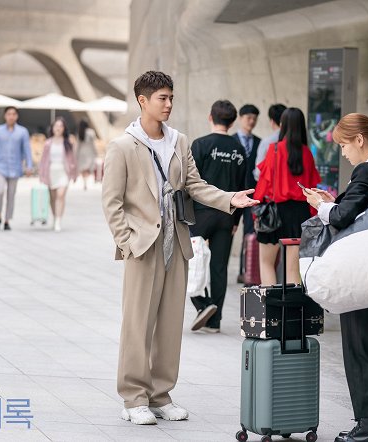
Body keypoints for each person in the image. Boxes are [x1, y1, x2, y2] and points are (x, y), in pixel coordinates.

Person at [101, 71, 258, 426]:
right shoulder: (123, 146)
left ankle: (160, 396)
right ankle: (133, 397)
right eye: (162, 98)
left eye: (171, 97)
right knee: (138, 325)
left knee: (170, 324)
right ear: (143, 101)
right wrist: (127, 243)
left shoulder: (179, 141)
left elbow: (196, 185)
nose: (169, 104)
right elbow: (111, 203)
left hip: (178, 243)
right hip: (143, 245)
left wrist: (230, 198)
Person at [302, 113, 368, 442]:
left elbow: (345, 217)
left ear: (360, 140)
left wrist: (321, 206)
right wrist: (335, 201)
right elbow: (364, 209)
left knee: (359, 352)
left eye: (344, 145)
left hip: (361, 278)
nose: (343, 152)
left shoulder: (366, 169)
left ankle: (367, 427)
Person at [188, 100, 247, 333]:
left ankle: (203, 305)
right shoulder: (239, 149)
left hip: (200, 214)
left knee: (192, 263)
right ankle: (215, 321)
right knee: (219, 267)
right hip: (227, 215)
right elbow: (243, 187)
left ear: (210, 117)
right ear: (232, 122)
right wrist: (236, 220)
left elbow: (190, 182)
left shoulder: (200, 145)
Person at [254, 107, 320, 285]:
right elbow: (312, 189)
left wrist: (256, 212)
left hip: (274, 214)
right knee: (293, 270)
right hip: (300, 214)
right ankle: (291, 311)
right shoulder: (307, 153)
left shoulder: (274, 149)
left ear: (282, 125)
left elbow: (264, 184)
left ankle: (269, 310)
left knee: (266, 263)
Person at [0, 106, 33, 231]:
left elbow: (27, 150)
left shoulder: (22, 132)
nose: (11, 116)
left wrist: (29, 166)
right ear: (5, 116)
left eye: (13, 114)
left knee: (11, 195)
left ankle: (7, 220)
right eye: (9, 114)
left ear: (17, 116)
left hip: (15, 168)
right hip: (0, 167)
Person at [232, 104, 261, 283]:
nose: (251, 121)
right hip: (233, 194)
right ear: (241, 118)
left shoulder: (260, 142)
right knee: (229, 232)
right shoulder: (231, 141)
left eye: (254, 119)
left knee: (249, 233)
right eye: (248, 118)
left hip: (253, 195)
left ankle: (245, 271)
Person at [39, 117, 78, 232]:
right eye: (56, 126)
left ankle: (58, 221)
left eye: (61, 126)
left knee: (60, 195)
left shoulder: (68, 142)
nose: (58, 128)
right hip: (51, 171)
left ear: (64, 128)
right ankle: (55, 216)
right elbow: (43, 160)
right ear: (52, 128)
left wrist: (74, 173)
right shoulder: (48, 143)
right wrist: (41, 174)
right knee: (53, 197)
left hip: (63, 172)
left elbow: (73, 159)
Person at [253, 103, 287, 181]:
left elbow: (258, 172)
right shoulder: (296, 141)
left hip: (271, 188)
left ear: (272, 121)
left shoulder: (266, 142)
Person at [76, 120, 97, 190]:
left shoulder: (79, 132)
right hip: (89, 152)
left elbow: (77, 145)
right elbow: (93, 144)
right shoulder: (91, 132)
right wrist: (95, 152)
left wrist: (76, 154)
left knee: (83, 169)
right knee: (87, 168)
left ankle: (84, 182)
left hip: (81, 153)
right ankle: (86, 182)